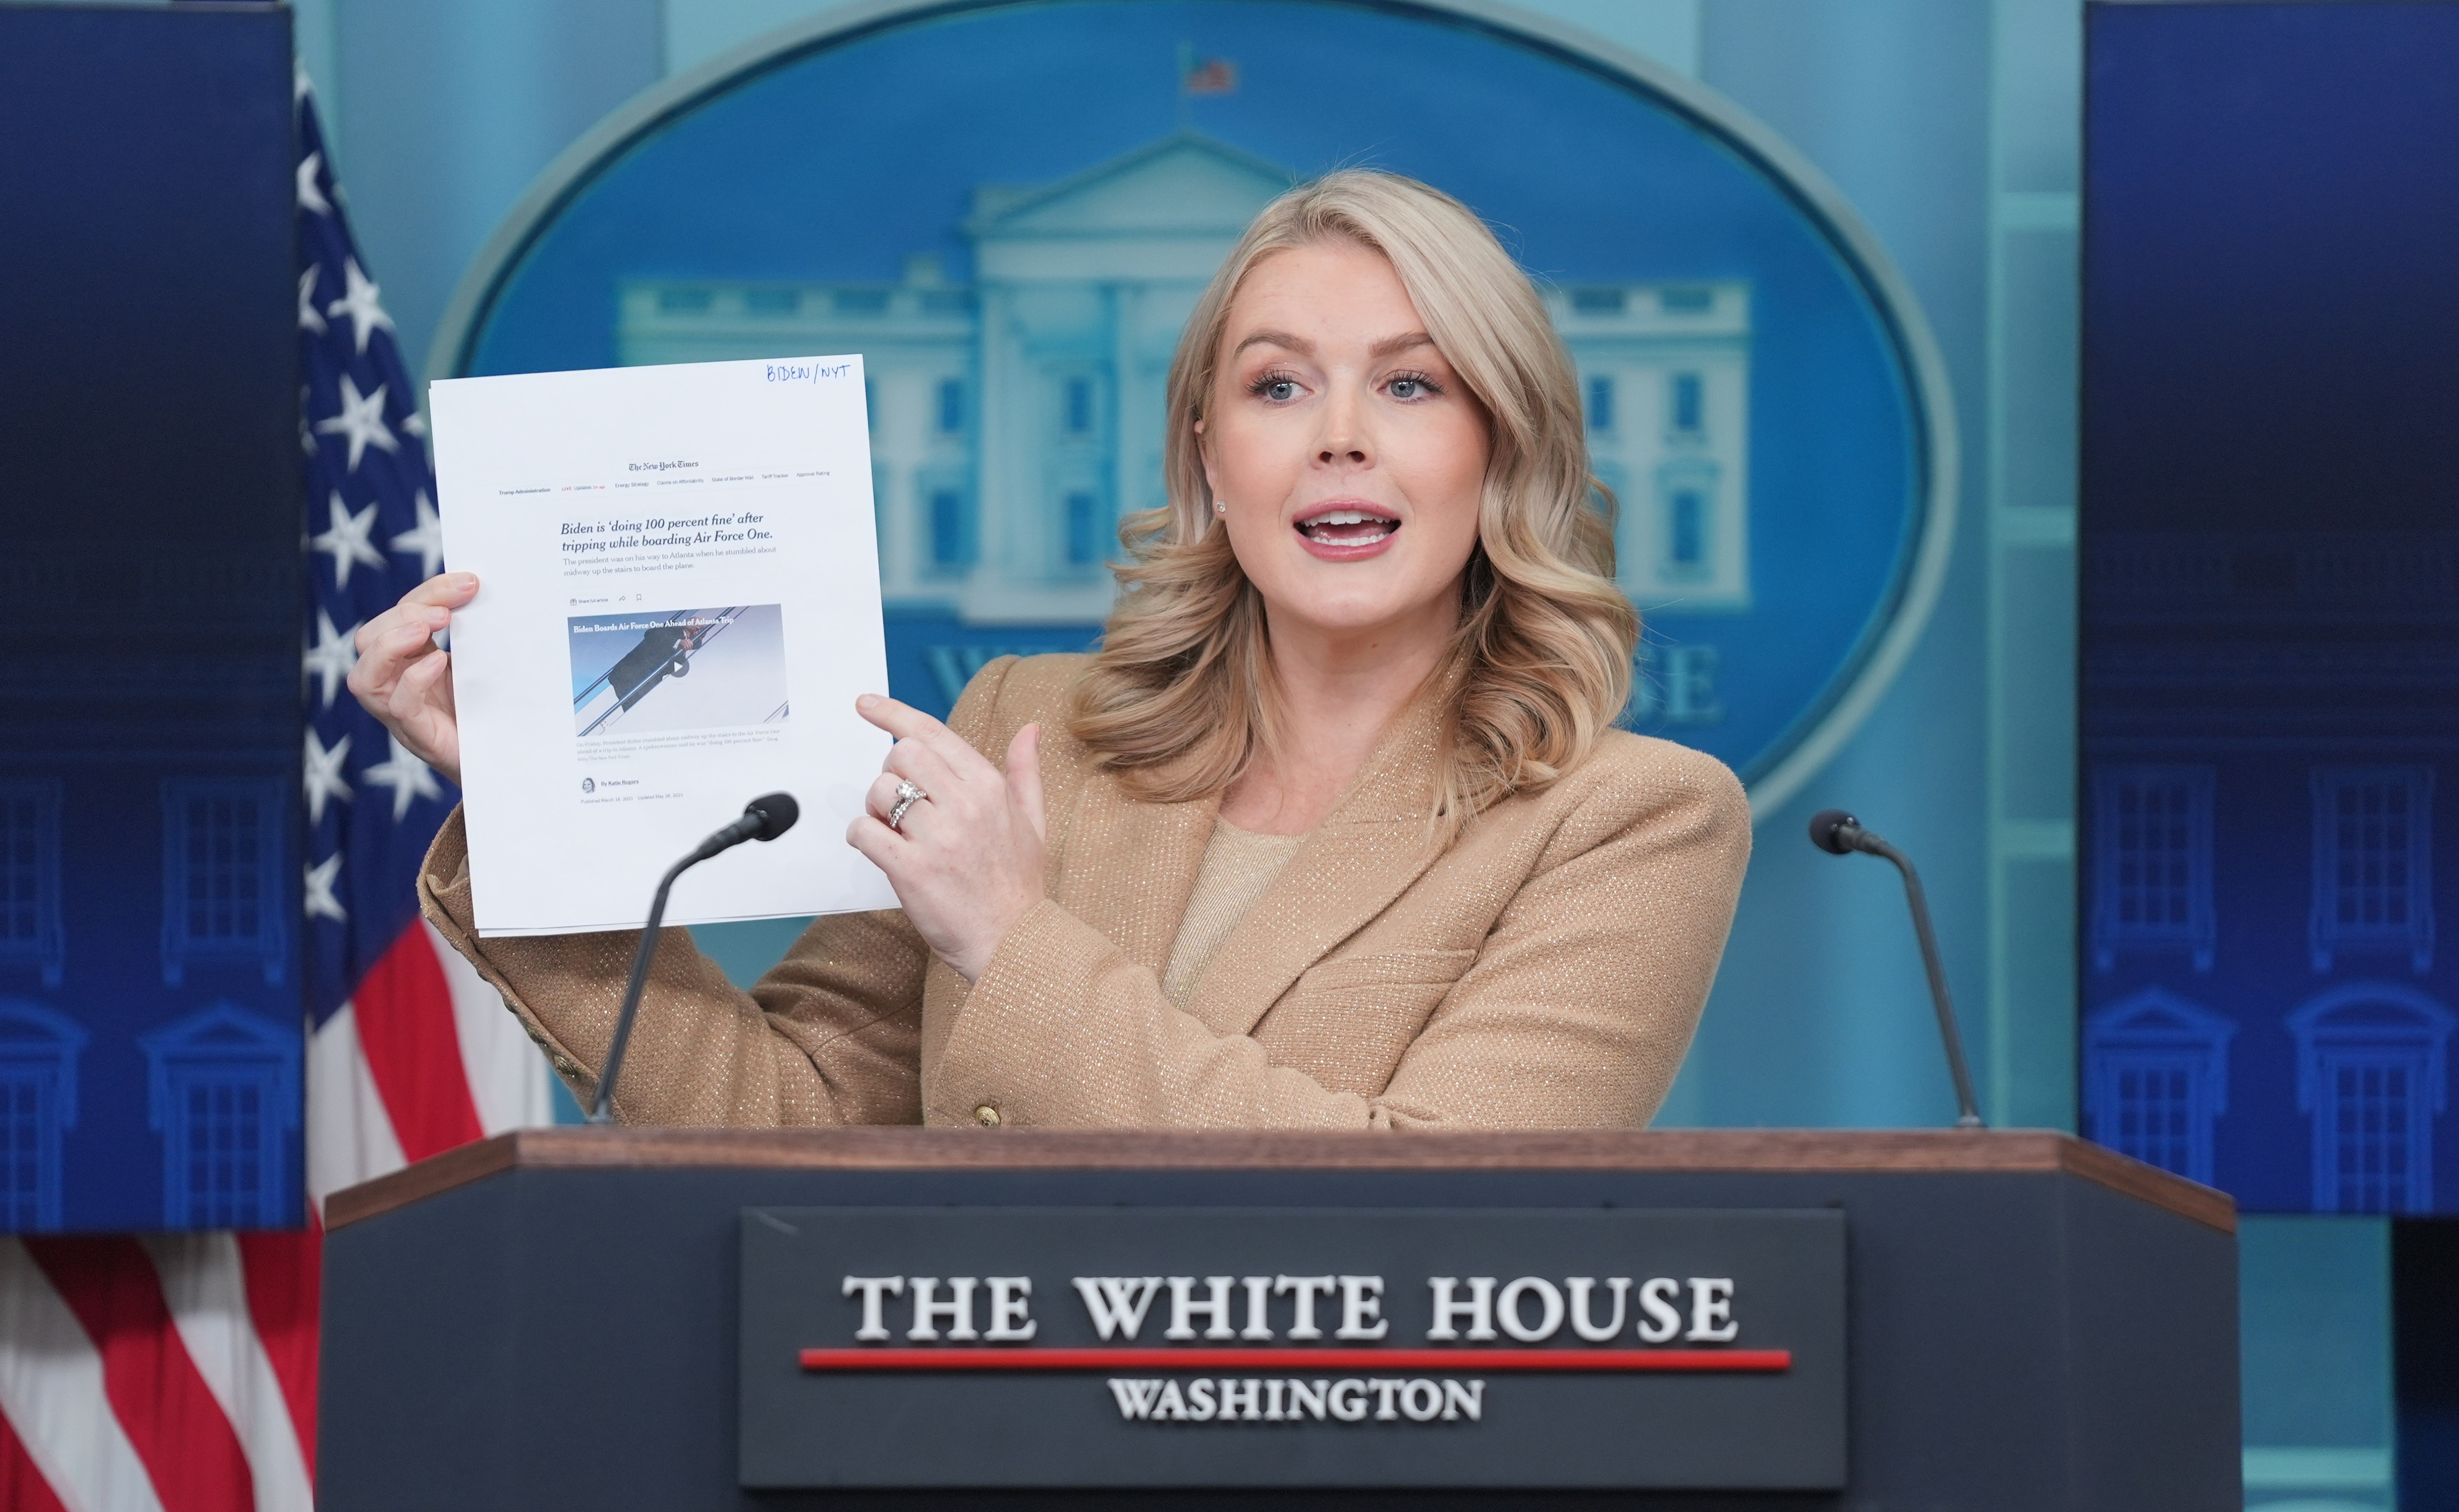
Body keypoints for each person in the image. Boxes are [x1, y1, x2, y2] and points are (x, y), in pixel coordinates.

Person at [350, 170, 1751, 1130]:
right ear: (1208, 454)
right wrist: (540, 796)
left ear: (1495, 441)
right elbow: (789, 1118)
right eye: (1276, 383)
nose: (1340, 432)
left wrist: (1008, 938)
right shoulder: (1026, 728)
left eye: (1408, 381)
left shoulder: (1632, 819)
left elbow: (1429, 1198)